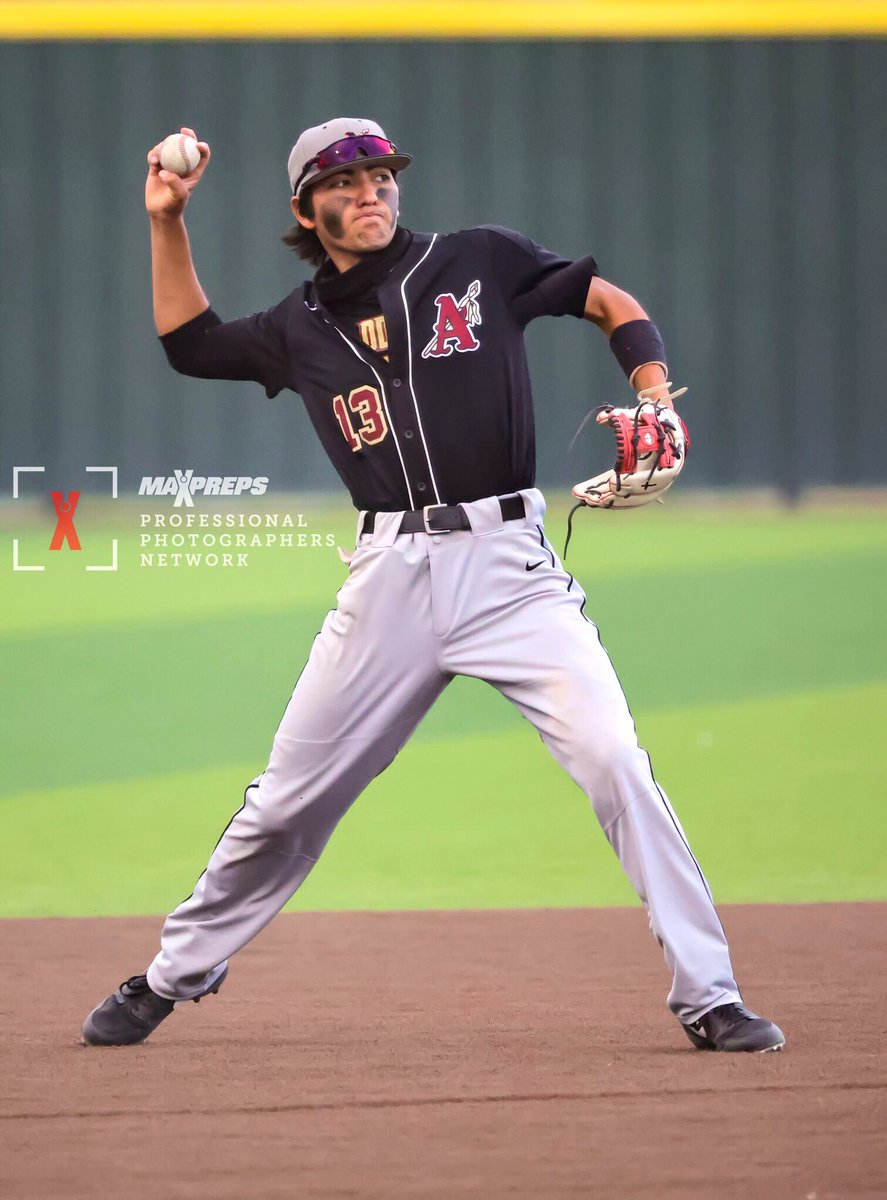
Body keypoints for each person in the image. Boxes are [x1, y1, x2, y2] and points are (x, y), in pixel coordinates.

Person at [80, 118, 784, 1054]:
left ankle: (710, 995)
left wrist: (653, 392)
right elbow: (190, 345)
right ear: (305, 208)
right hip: (388, 584)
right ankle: (172, 974)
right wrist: (168, 221)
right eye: (345, 180)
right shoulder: (298, 327)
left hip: (509, 571)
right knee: (289, 800)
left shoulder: (477, 260)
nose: (370, 190)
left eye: (381, 174)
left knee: (615, 760)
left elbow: (609, 301)